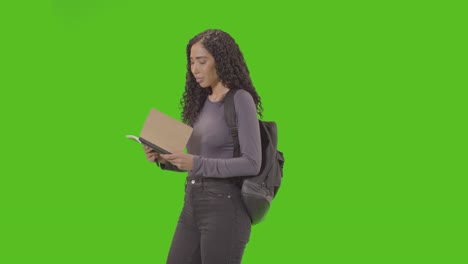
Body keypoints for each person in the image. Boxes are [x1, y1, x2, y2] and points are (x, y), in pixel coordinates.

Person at [143, 29, 263, 264]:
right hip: (192, 203)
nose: (194, 69)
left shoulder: (240, 99)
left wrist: (195, 162)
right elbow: (197, 160)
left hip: (225, 206)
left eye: (201, 61)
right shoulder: (200, 103)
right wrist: (164, 159)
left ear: (221, 60)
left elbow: (252, 162)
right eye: (191, 62)